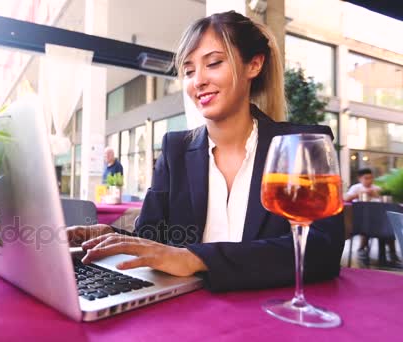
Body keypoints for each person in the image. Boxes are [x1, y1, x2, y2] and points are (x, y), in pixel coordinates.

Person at [67, 11, 344, 292]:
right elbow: (153, 239)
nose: (197, 81)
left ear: (254, 65)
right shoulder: (175, 150)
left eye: (213, 63)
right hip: (190, 316)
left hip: (273, 315)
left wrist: (196, 258)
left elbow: (324, 250)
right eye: (188, 71)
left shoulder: (300, 145)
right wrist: (111, 236)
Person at [344, 168, 400, 267]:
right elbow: (346, 198)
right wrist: (360, 194)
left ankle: (392, 255)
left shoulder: (377, 188)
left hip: (378, 219)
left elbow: (385, 201)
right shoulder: (356, 188)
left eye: (371, 178)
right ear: (360, 179)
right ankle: (362, 250)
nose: (369, 181)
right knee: (369, 226)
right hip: (361, 220)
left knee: (389, 226)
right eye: (366, 178)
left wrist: (376, 195)